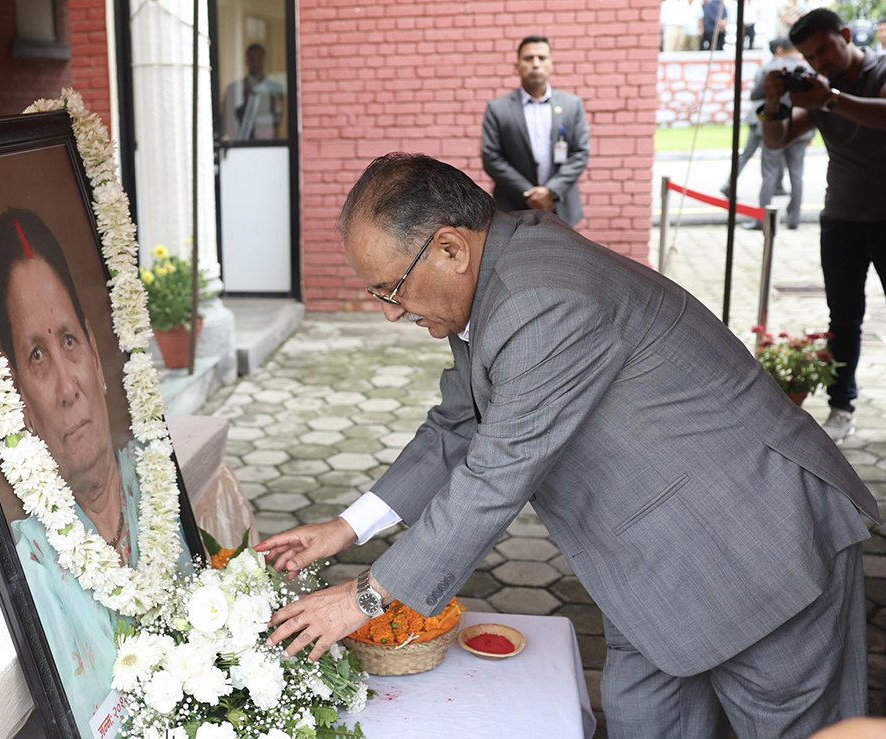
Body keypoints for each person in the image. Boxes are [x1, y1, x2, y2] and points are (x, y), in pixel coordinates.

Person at [259, 153, 880, 738]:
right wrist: (346, 528)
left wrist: (366, 597)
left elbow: (494, 476)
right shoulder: (493, 276)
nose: (391, 312)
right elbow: (460, 422)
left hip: (756, 546)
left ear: (450, 248)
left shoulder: (539, 298)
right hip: (650, 571)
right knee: (642, 719)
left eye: (390, 288)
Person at [0, 208, 194, 738]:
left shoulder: (154, 482)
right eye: (37, 355)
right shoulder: (36, 562)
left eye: (69, 341)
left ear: (98, 362)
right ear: (20, 399)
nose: (66, 386)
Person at [761, 8, 886, 443]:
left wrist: (829, 99)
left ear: (846, 35)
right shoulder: (816, 90)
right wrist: (774, 103)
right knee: (843, 319)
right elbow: (777, 140)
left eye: (824, 50)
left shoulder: (879, 70)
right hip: (841, 219)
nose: (820, 62)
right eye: (810, 57)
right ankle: (841, 406)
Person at [481, 36, 590, 227]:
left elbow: (580, 153)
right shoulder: (498, 109)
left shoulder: (572, 105)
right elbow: (492, 157)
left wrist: (550, 191)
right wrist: (530, 193)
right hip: (513, 206)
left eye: (542, 58)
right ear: (517, 66)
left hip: (560, 205)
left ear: (551, 64)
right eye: (528, 58)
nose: (536, 64)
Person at [722, 37, 810, 231]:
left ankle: (762, 219)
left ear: (780, 50)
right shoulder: (808, 70)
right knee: (797, 175)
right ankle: (794, 219)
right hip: (800, 126)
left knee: (769, 173)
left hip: (773, 125)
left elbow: (755, 95)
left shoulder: (771, 70)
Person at [221, 43, 284, 141]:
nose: (256, 63)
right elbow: (228, 123)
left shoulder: (275, 90)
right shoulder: (233, 90)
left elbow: (279, 121)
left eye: (259, 59)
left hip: (269, 142)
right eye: (252, 59)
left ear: (264, 61)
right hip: (242, 142)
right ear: (247, 61)